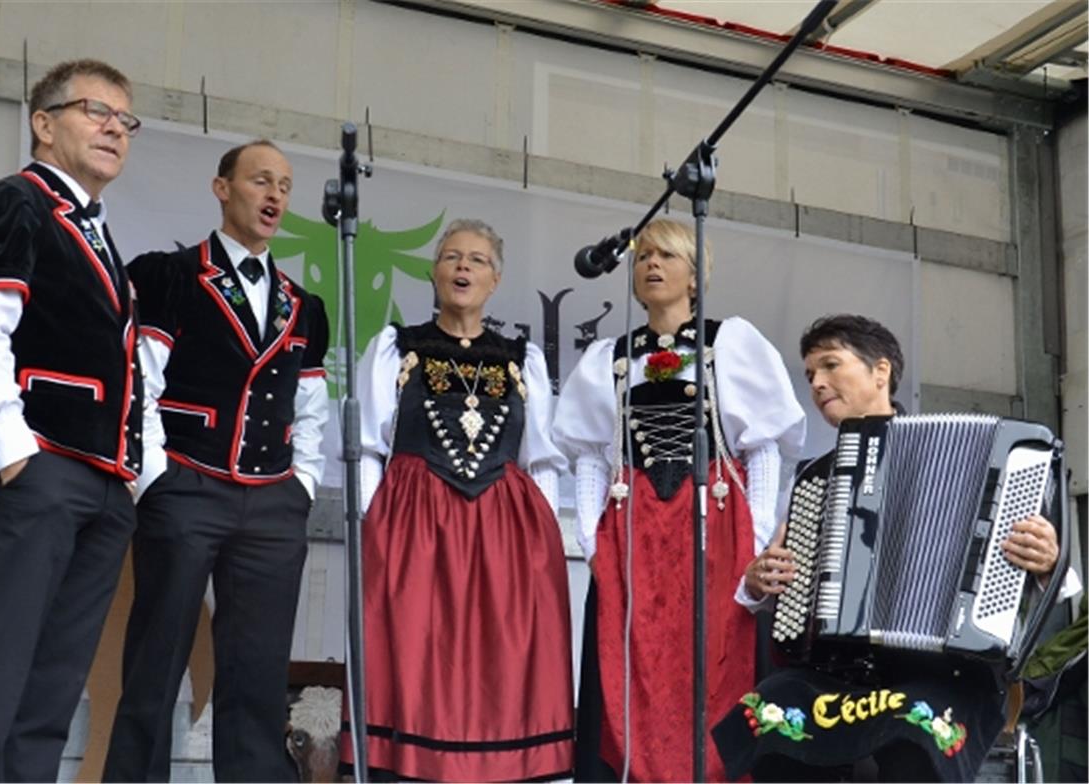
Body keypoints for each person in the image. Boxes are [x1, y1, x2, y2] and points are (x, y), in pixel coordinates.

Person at [714, 313, 1080, 783]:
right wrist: (759, 580)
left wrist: (1049, 562)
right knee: (770, 713)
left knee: (917, 732)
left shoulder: (992, 457)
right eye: (809, 375)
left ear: (880, 371)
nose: (817, 383)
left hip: (947, 674)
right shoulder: (813, 478)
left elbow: (1063, 585)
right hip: (840, 673)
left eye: (830, 365)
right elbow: (769, 584)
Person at [0, 59, 143, 781]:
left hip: (101, 484)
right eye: (94, 110)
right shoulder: (7, 205)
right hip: (38, 473)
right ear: (44, 125)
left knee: (51, 688)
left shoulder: (97, 233)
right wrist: (18, 458)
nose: (114, 127)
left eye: (125, 119)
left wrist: (137, 476)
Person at [103, 139, 329, 782]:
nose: (275, 195)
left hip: (273, 503)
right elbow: (140, 381)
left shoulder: (304, 304)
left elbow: (311, 409)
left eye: (284, 185)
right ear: (221, 187)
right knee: (155, 665)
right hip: (185, 488)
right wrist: (154, 480)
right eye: (261, 180)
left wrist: (303, 486)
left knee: (257, 678)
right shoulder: (168, 275)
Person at [552, 218, 806, 782]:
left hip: (714, 522)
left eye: (666, 253)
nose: (651, 264)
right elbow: (593, 455)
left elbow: (762, 448)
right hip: (634, 527)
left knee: (715, 660)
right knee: (629, 657)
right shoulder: (611, 357)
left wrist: (758, 537)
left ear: (696, 274)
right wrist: (592, 539)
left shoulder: (729, 342)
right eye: (643, 255)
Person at [337, 218, 574, 781]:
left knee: (508, 657)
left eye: (476, 259)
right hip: (412, 521)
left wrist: (546, 550)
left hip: (506, 529)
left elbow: (540, 458)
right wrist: (370, 528)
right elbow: (369, 445)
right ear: (433, 273)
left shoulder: (522, 360)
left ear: (496, 279)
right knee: (415, 653)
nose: (463, 266)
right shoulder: (398, 347)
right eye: (451, 257)